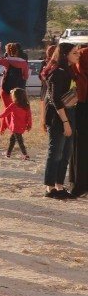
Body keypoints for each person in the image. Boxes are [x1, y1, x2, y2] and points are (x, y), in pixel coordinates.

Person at [43, 43, 78, 199]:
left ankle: (59, 185)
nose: (78, 55)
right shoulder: (57, 72)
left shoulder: (69, 71)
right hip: (58, 117)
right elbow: (55, 99)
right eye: (74, 52)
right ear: (65, 55)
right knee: (55, 152)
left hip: (70, 113)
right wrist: (65, 122)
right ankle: (50, 188)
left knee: (65, 153)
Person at [67, 45, 88, 197]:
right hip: (81, 107)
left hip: (80, 108)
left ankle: (78, 184)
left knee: (79, 147)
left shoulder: (76, 70)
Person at [0, 87, 32, 160]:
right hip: (22, 126)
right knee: (12, 140)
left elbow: (6, 112)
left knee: (20, 141)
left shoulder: (13, 105)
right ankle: (8, 153)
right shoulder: (26, 106)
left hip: (16, 127)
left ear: (15, 96)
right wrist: (29, 125)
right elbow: (29, 117)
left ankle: (25, 155)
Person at [0, 42, 29, 107]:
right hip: (18, 90)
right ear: (16, 51)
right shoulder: (24, 63)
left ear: (7, 52)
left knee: (7, 108)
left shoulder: (6, 61)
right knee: (17, 109)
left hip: (5, 87)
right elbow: (26, 77)